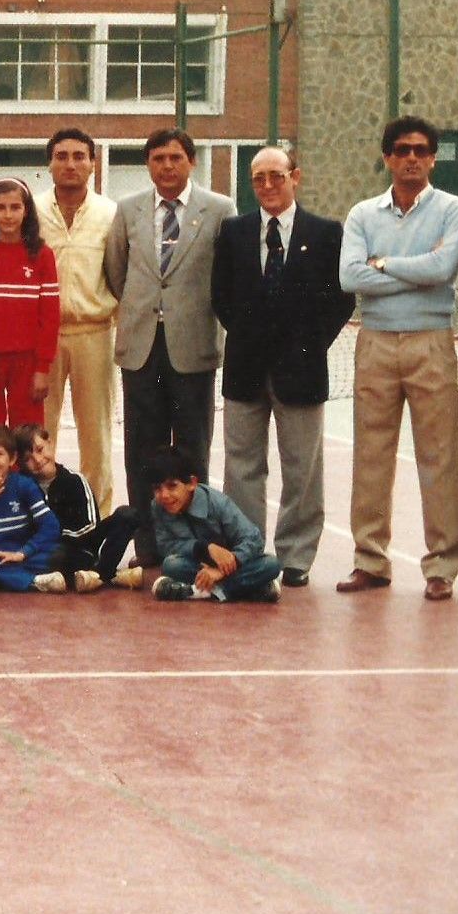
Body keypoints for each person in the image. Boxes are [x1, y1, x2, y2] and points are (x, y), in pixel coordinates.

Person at [337, 116, 458, 598]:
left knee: (438, 455)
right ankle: (369, 560)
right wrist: (417, 269)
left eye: (420, 150)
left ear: (433, 157)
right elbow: (350, 277)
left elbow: (443, 268)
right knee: (371, 454)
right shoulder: (362, 215)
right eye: (401, 150)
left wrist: (385, 263)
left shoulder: (455, 210)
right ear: (387, 158)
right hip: (375, 340)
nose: (411, 157)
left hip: (431, 341)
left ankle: (441, 567)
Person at [210, 145, 353, 589]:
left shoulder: (327, 233)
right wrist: (254, 338)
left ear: (296, 177)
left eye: (276, 176)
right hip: (245, 368)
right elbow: (222, 298)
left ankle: (295, 556)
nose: (268, 186)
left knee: (301, 469)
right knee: (242, 466)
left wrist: (308, 346)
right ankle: (247, 549)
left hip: (302, 370)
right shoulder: (233, 232)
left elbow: (341, 299)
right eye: (259, 179)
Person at [103, 126, 232, 498]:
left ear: (192, 161)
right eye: (158, 158)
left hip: (193, 346)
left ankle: (193, 536)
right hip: (141, 346)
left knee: (193, 445)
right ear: (147, 165)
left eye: (176, 157)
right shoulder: (128, 209)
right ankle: (148, 539)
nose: (167, 165)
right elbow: (117, 271)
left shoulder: (219, 209)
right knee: (142, 446)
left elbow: (225, 274)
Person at [34, 126, 122, 512]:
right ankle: (40, 514)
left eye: (79, 156)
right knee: (38, 432)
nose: (71, 164)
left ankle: (98, 517)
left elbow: (122, 271)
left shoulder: (111, 213)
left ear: (92, 163)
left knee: (96, 433)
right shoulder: (31, 211)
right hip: (42, 337)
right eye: (62, 156)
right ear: (50, 163)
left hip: (95, 332)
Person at [0, 177, 60, 435]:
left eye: (15, 207)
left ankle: (26, 478)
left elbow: (50, 317)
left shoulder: (42, 256)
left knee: (27, 433)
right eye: (1, 207)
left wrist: (42, 368)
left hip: (27, 362)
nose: (8, 215)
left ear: (26, 210)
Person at [146, 445, 282, 603]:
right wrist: (204, 548)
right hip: (197, 565)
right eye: (157, 488)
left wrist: (224, 567)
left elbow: (253, 539)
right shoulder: (157, 506)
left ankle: (195, 591)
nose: (164, 495)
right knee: (171, 565)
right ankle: (248, 589)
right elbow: (166, 546)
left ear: (192, 483)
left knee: (271, 564)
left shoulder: (218, 504)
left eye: (172, 486)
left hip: (233, 566)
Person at [0, 423, 65, 593]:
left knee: (60, 553)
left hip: (24, 553)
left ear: (12, 459)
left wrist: (23, 552)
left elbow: (50, 525)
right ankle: (34, 581)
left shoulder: (24, 484)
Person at [13, 423, 108, 593]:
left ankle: (102, 573)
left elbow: (90, 526)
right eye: (28, 458)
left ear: (50, 443)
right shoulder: (21, 485)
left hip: (73, 546)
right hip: (36, 550)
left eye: (40, 449)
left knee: (125, 516)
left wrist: (52, 538)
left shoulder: (74, 480)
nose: (38, 460)